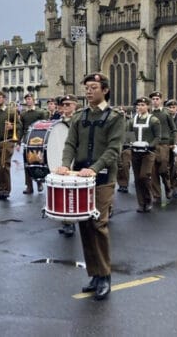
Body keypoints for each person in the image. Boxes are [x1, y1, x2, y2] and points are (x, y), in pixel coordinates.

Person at [57, 72, 125, 301]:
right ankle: (94, 274)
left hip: (103, 178)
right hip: (79, 178)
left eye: (93, 87)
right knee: (84, 226)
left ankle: (105, 275)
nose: (88, 91)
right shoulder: (79, 116)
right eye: (86, 87)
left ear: (105, 90)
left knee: (99, 224)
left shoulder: (115, 117)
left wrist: (95, 168)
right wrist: (65, 165)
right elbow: (70, 144)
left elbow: (114, 149)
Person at [130, 97, 160, 213]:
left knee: (144, 176)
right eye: (138, 105)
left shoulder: (154, 120)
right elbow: (129, 134)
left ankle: (148, 199)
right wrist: (130, 143)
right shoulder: (132, 120)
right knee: (137, 179)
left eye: (143, 105)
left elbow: (158, 137)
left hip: (148, 153)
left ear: (148, 106)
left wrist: (150, 145)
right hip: (135, 152)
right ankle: (141, 203)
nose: (140, 107)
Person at [0, 90, 21, 201]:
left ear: (4, 99)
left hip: (7, 141)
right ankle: (1, 189)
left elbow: (19, 125)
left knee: (4, 165)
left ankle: (6, 190)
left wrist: (12, 126)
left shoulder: (11, 111)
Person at [57, 94, 79, 237]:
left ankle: (70, 223)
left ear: (75, 105)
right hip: (63, 159)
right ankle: (66, 222)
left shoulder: (79, 120)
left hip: (76, 158)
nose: (65, 107)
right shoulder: (58, 121)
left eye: (69, 104)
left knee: (72, 192)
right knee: (62, 191)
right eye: (63, 105)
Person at [149, 91, 177, 201]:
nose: (155, 101)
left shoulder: (166, 113)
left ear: (160, 100)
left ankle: (168, 188)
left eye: (157, 99)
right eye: (153, 99)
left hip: (164, 145)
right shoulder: (149, 113)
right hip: (151, 145)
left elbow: (174, 129)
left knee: (163, 169)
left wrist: (174, 142)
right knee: (153, 171)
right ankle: (157, 195)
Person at [20, 93, 48, 195]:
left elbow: (45, 124)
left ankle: (39, 182)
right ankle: (29, 186)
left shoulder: (40, 112)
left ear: (34, 100)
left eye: (30, 99)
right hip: (27, 141)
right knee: (27, 164)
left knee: (38, 162)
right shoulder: (23, 114)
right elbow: (21, 128)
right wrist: (19, 142)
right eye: (26, 99)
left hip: (38, 141)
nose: (28, 101)